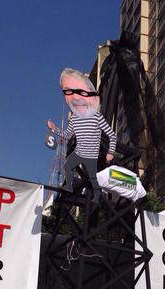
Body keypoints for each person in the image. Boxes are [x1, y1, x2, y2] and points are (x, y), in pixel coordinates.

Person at [47, 68, 117, 202]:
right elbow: (67, 135)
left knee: (92, 177)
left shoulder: (96, 117)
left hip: (91, 154)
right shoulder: (74, 118)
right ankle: (69, 186)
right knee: (67, 166)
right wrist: (55, 128)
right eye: (69, 92)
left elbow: (111, 135)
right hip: (79, 152)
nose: (76, 97)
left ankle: (97, 196)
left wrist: (111, 152)